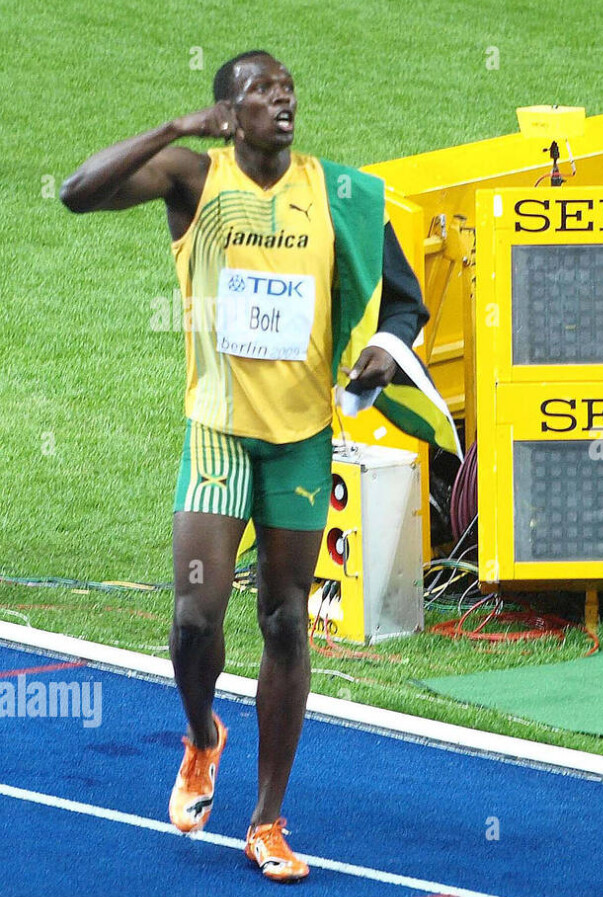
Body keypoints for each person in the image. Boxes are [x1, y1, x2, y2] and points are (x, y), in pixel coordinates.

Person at [60, 50, 446, 882]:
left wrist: (386, 349)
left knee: (284, 619)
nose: (283, 100)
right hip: (219, 432)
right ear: (228, 112)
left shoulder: (339, 194)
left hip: (299, 438)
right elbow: (76, 192)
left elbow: (407, 301)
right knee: (195, 616)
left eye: (288, 89)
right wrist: (175, 127)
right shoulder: (194, 180)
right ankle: (204, 736)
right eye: (262, 91)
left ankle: (267, 820)